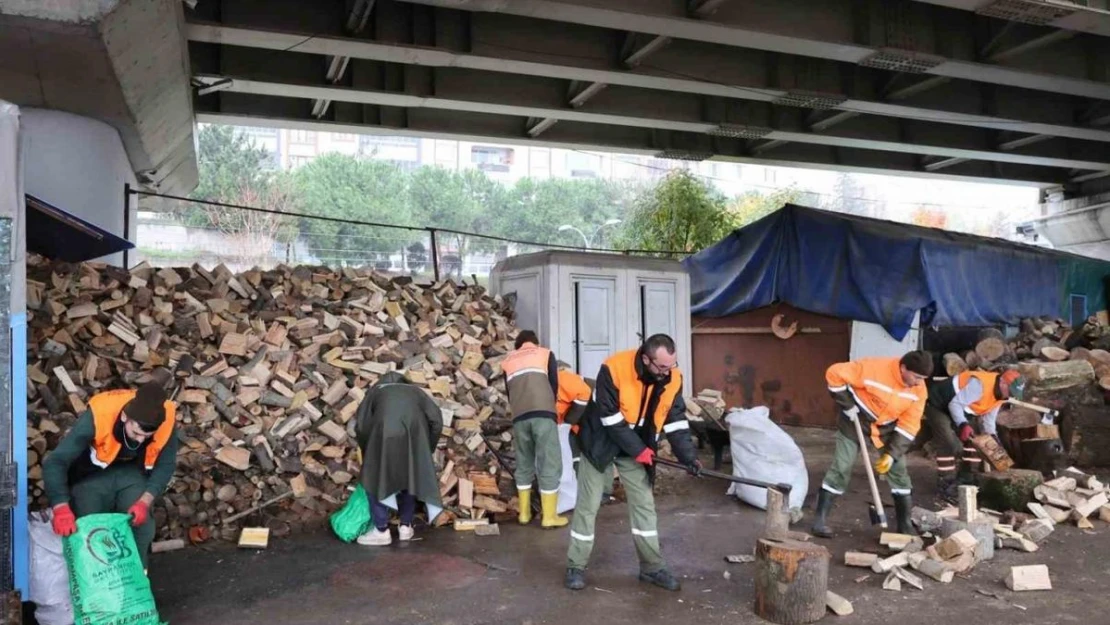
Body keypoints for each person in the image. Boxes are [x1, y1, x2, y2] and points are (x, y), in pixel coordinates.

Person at [564, 334, 701, 592]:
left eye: (671, 365)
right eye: (662, 366)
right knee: (588, 505)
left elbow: (675, 419)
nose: (667, 372)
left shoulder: (672, 378)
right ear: (646, 358)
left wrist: (689, 457)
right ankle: (576, 565)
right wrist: (639, 450)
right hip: (599, 442)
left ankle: (652, 567)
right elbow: (610, 418)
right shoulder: (613, 368)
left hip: (635, 444)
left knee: (644, 505)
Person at [43, 382, 179, 570]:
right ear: (125, 417)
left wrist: (144, 502)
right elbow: (55, 462)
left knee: (142, 525)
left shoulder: (166, 418)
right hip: (90, 474)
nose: (140, 440)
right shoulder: (100, 414)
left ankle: (137, 581)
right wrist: (60, 506)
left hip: (131, 473)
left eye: (147, 436)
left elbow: (166, 465)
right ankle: (95, 584)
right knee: (90, 528)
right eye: (137, 433)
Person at [811, 351, 933, 538]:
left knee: (898, 470)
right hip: (854, 419)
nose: (918, 382)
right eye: (917, 377)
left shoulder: (919, 390)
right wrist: (847, 404)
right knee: (843, 465)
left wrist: (891, 455)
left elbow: (909, 424)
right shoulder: (873, 368)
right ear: (903, 368)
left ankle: (904, 524)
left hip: (885, 428)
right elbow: (834, 373)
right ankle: (819, 520)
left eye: (923, 378)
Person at [353, 371, 444, 546]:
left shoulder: (376, 391)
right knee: (410, 476)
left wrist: (368, 450)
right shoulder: (416, 391)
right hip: (414, 438)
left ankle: (381, 530)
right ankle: (405, 526)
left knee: (375, 476)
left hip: (383, 436)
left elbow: (362, 425)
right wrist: (427, 447)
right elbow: (436, 420)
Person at [924, 370, 1025, 499]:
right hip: (938, 405)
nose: (1010, 396)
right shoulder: (979, 385)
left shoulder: (1001, 396)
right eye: (1010, 392)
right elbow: (955, 404)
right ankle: (945, 483)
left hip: (960, 408)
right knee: (949, 442)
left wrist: (993, 439)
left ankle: (966, 478)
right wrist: (962, 425)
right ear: (1002, 382)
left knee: (977, 440)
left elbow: (988, 421)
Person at [503, 331, 567, 528]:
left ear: (518, 345)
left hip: (519, 417)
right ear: (535, 343)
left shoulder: (508, 360)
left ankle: (524, 514)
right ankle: (549, 517)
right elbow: (554, 385)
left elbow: (508, 391)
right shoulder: (545, 354)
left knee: (524, 462)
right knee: (549, 461)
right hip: (543, 413)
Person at [556, 365, 616, 504]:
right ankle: (581, 487)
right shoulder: (550, 386)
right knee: (575, 449)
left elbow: (582, 394)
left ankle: (604, 491)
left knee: (599, 450)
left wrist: (568, 421)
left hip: (597, 411)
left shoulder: (562, 378)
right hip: (582, 417)